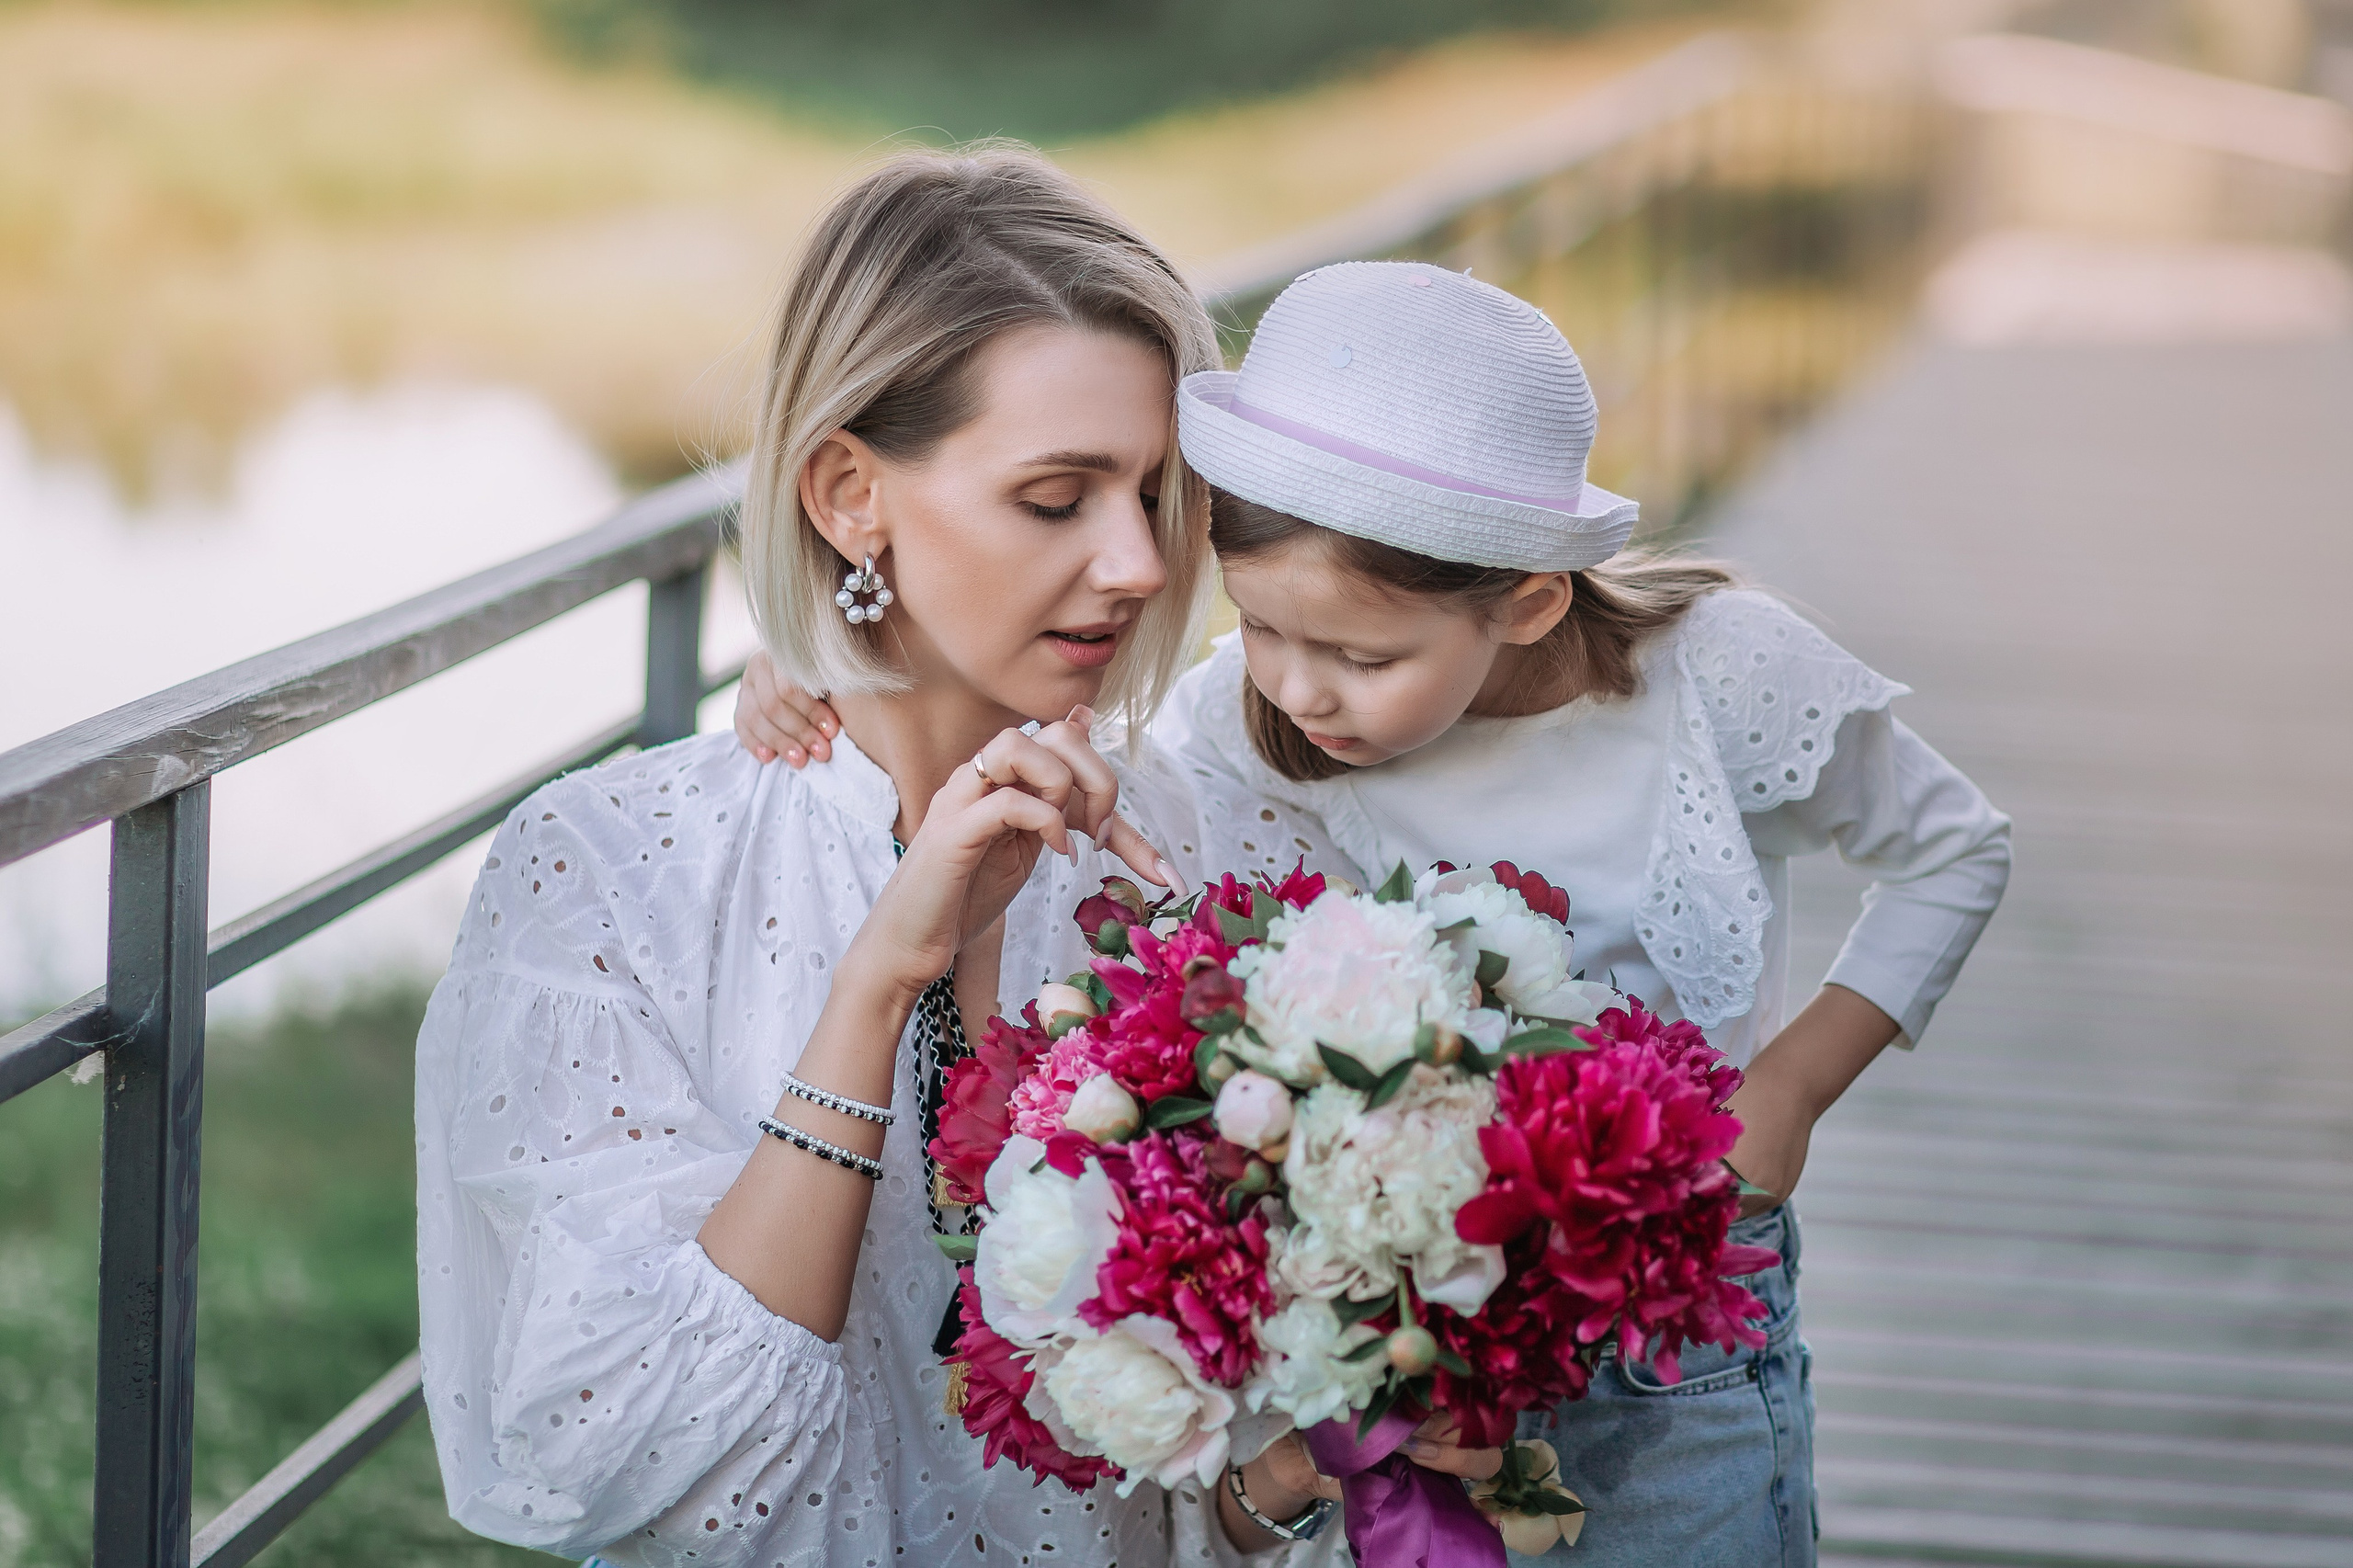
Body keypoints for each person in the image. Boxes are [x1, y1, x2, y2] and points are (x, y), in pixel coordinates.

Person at [735, 260, 2013, 1565]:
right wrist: (829, 656)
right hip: (1398, 1341)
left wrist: (1792, 1083)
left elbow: (1955, 850)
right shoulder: (1246, 720)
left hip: (1665, 1332)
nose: (1299, 691)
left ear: (1526, 599)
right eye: (1261, 627)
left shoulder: (1716, 680)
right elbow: (1056, 737)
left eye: (1364, 656)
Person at [414, 150, 1489, 1568]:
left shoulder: (1225, 856)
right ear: (850, 492)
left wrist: (1292, 1481)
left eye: (1157, 494)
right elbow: (640, 1464)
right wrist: (880, 977)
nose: (1142, 565)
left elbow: (1205, 1508)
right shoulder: (610, 877)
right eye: (1057, 497)